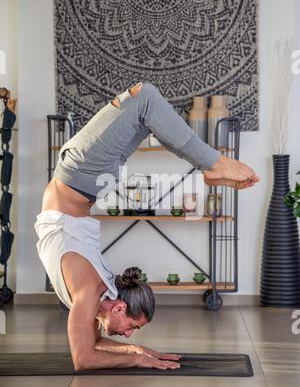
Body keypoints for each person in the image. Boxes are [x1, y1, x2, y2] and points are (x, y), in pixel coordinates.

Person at [35, 82, 260, 371]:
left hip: (80, 173)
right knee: (145, 105)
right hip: (85, 180)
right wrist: (138, 353)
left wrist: (137, 352)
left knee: (145, 98)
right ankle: (211, 165)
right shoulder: (93, 294)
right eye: (133, 329)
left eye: (132, 330)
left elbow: (85, 356)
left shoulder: (89, 295)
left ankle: (212, 164)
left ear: (118, 308)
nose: (127, 334)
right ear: (118, 305)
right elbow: (87, 353)